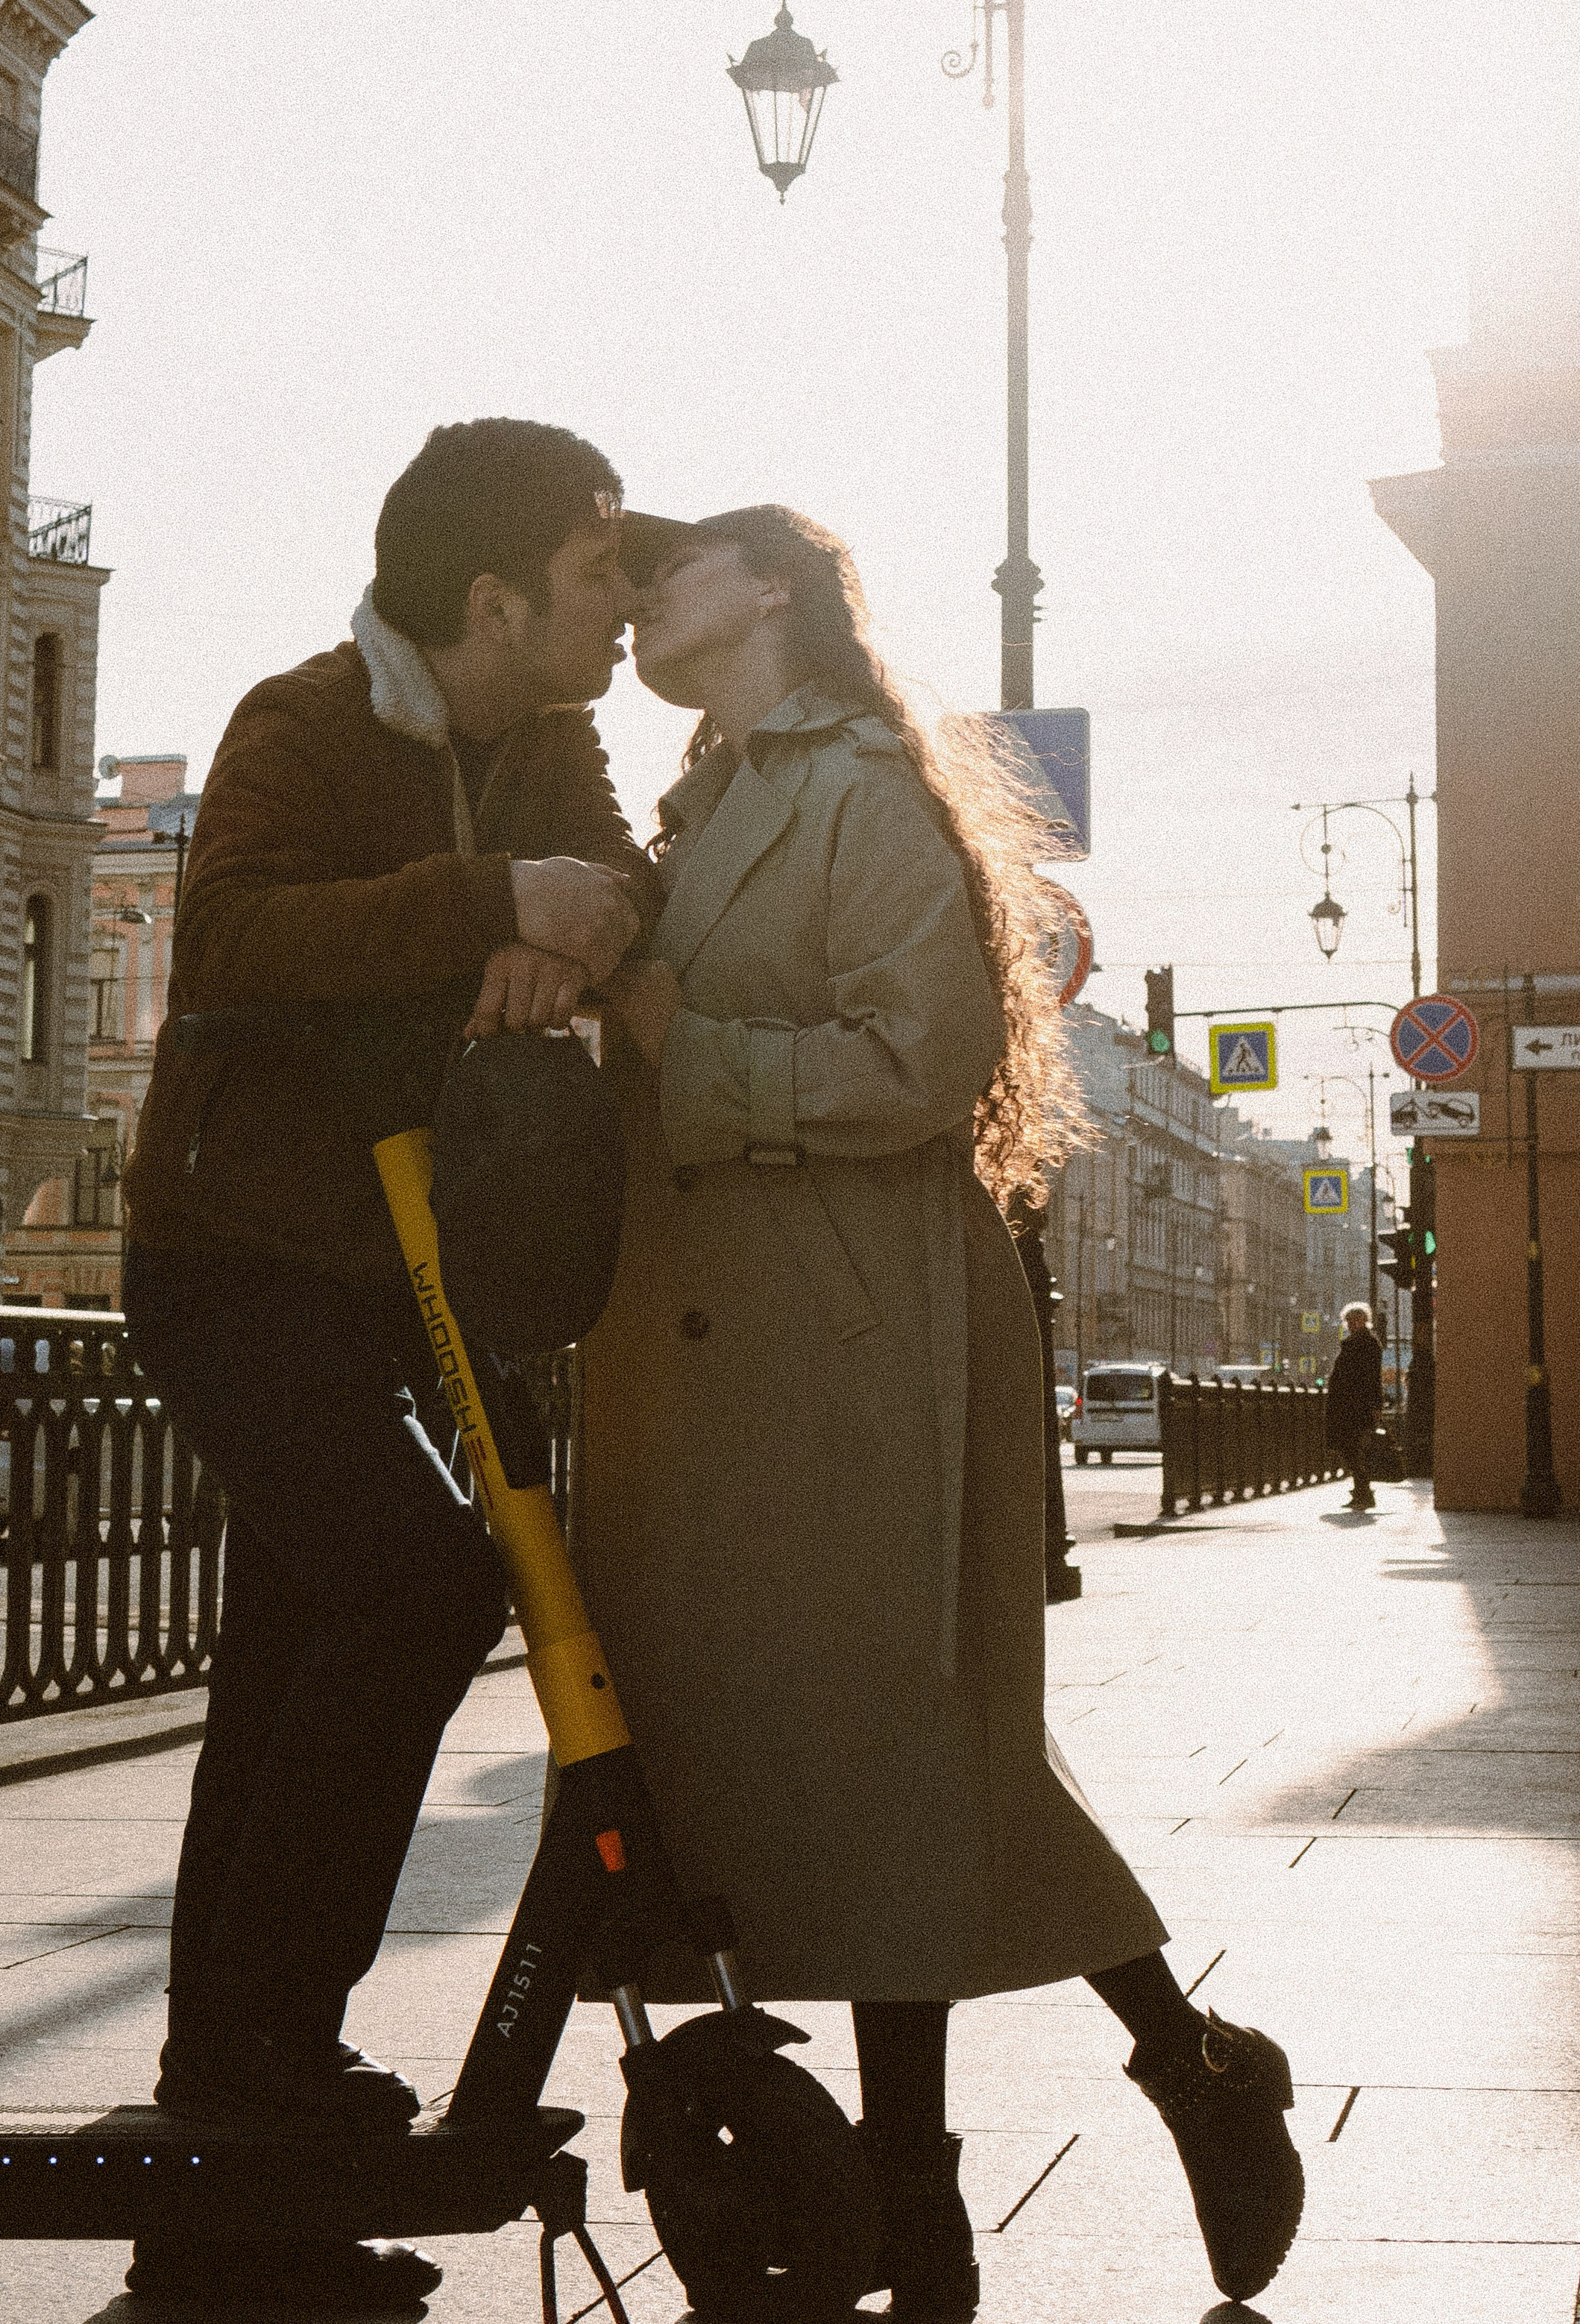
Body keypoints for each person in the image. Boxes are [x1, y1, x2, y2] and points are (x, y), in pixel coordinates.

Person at [587, 506, 1303, 2323]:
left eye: (665, 564)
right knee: (856, 1775)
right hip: (725, 1347)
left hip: (852, 1330)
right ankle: (1174, 2078)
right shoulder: (706, 796)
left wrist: (689, 1051)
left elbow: (920, 1062)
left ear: (767, 588)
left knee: (900, 1759)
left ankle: (934, 2188)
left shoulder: (859, 790)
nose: (635, 594)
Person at [119, 421, 654, 2311]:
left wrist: (564, 934)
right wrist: (493, 905)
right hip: (238, 1262)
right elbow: (236, 938)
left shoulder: (542, 737)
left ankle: (234, 2071)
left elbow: (618, 878)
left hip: (401, 1273)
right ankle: (257, 2038)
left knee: (292, 1653)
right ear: (492, 598)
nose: (628, 596)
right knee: (417, 1586)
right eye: (598, 567)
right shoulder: (304, 717)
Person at [1328, 1301, 1386, 1510]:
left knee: (1353, 1449)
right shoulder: (1355, 1342)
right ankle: (1361, 1492)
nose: (1352, 1323)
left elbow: (1372, 1378)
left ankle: (1364, 1493)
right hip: (1348, 1406)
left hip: (1357, 1406)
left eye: (1357, 1320)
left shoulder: (1367, 1344)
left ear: (1365, 1321)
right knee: (1351, 1449)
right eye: (1349, 1320)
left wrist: (1375, 1405)